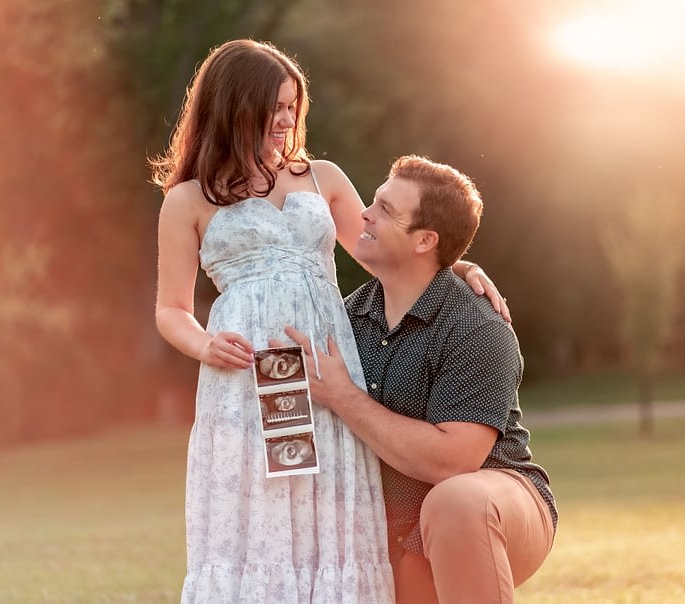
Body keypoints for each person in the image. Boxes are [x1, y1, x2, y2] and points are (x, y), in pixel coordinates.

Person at [152, 40, 508, 603]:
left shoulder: (320, 177)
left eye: (294, 105)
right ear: (234, 106)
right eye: (275, 106)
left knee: (326, 506)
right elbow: (170, 308)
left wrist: (456, 261)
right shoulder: (190, 201)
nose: (287, 119)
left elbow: (384, 244)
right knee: (267, 508)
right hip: (250, 372)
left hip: (323, 367)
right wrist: (204, 344)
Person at [283, 155, 558, 603]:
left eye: (386, 210)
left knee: (456, 503)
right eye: (373, 202)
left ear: (425, 240)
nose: (364, 215)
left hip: (494, 503)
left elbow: (454, 461)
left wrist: (345, 398)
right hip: (393, 532)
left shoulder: (477, 326)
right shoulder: (343, 320)